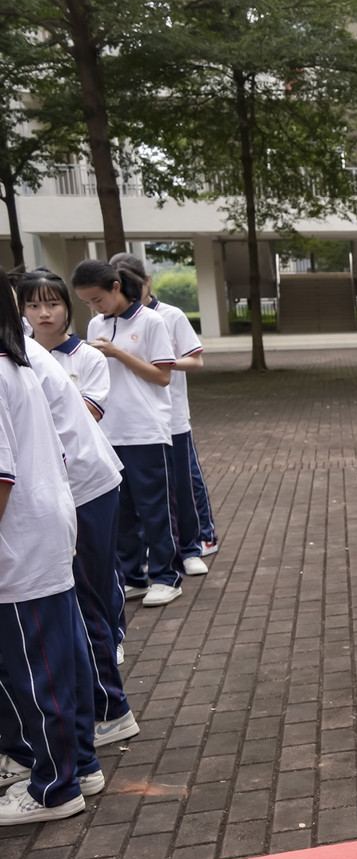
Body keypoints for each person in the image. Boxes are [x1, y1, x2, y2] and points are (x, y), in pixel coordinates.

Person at [16, 270, 138, 745]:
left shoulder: (36, 359)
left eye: (52, 304)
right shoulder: (28, 355)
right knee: (83, 602)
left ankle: (111, 709)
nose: (43, 314)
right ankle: (102, 706)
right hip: (71, 485)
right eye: (32, 306)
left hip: (83, 486)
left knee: (86, 602)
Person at [0, 289, 103, 824]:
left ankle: (54, 787)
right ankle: (75, 766)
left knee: (37, 671)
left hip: (22, 542)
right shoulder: (16, 362)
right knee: (54, 662)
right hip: (41, 527)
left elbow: (1, 477)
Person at [72, 259, 183, 607]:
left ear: (116, 287)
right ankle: (133, 576)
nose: (94, 307)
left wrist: (117, 353)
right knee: (122, 512)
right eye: (87, 302)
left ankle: (167, 576)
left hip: (146, 429)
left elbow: (163, 376)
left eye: (97, 299)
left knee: (155, 508)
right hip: (108, 431)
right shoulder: (95, 326)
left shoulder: (152, 321)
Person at [109, 253, 212, 577]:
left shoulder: (169, 315)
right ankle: (148, 555)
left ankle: (192, 547)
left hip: (171, 415)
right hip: (132, 421)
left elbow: (195, 361)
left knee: (182, 483)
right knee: (138, 494)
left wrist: (161, 361)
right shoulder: (107, 320)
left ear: (145, 281)